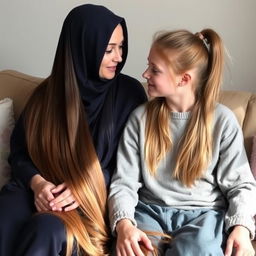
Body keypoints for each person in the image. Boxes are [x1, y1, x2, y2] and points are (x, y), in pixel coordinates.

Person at [0, 4, 147, 256]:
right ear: (82, 49)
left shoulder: (129, 95)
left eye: (121, 47)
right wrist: (37, 184)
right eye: (109, 49)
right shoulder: (47, 95)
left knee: (47, 228)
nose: (119, 57)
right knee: (6, 214)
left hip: (89, 198)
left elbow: (132, 167)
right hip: (41, 190)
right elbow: (20, 152)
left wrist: (84, 184)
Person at [108, 28, 256, 256]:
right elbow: (123, 183)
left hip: (204, 215)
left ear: (183, 79)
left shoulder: (222, 121)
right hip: (148, 211)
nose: (145, 74)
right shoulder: (140, 118)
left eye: (154, 70)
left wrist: (242, 227)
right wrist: (124, 224)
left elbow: (241, 185)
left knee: (197, 251)